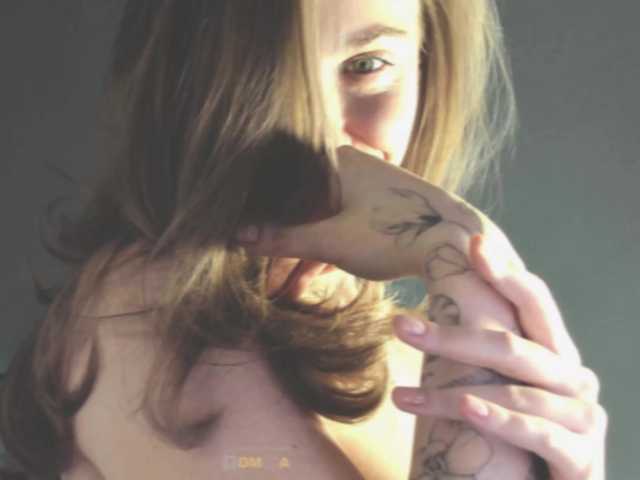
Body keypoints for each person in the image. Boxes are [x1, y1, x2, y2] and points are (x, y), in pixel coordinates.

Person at [0, 0, 608, 479]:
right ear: (187, 91)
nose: (319, 140)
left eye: (367, 65)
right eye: (264, 77)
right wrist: (461, 248)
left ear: (430, 69)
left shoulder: (410, 354)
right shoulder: (148, 317)